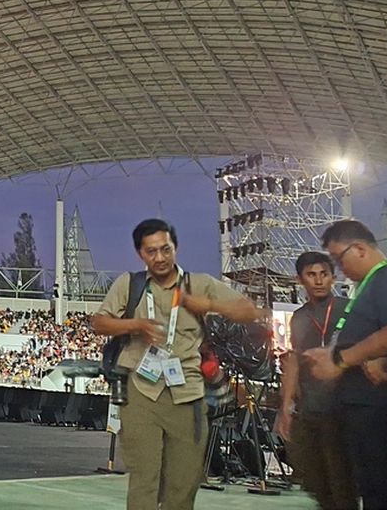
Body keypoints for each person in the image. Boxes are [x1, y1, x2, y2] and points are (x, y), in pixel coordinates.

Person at [90, 218, 263, 510]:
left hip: (188, 394)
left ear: (176, 248)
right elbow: (99, 323)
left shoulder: (200, 284)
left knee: (184, 483)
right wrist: (136, 325)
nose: (160, 257)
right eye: (151, 251)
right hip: (140, 392)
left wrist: (209, 305)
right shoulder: (129, 284)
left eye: (166, 249)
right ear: (140, 254)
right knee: (144, 479)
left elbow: (248, 311)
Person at [302, 220, 387, 509]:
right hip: (359, 409)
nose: (340, 270)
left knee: (381, 491)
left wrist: (341, 360)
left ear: (360, 249)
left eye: (339, 259)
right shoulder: (369, 287)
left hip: (377, 410)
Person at [276, 251, 355, 510]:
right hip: (310, 410)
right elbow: (294, 362)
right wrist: (286, 407)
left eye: (324, 274)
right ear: (300, 280)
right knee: (316, 483)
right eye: (311, 275)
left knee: (342, 484)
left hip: (343, 408)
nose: (319, 280)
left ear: (333, 277)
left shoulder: (349, 309)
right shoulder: (299, 317)